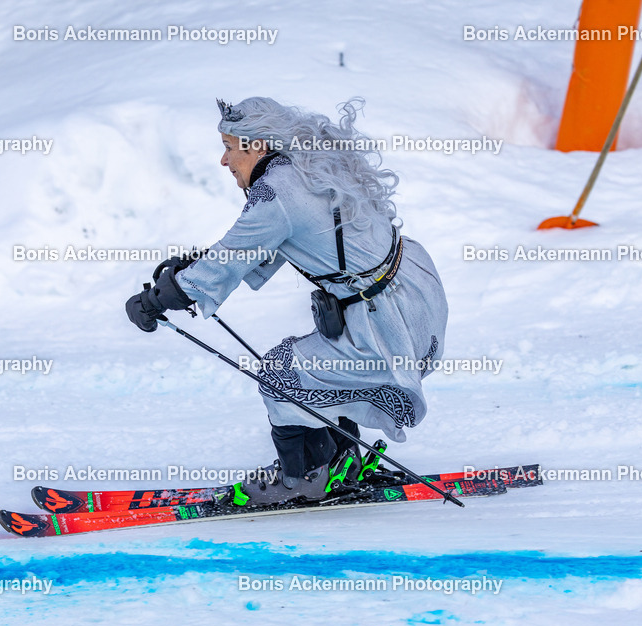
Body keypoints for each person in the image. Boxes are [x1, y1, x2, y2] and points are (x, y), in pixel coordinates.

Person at [126, 97, 448, 506]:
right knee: (317, 369)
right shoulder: (308, 167)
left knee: (280, 375)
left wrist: (156, 300)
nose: (224, 160)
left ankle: (305, 477)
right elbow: (257, 248)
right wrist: (191, 267)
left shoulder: (276, 191)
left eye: (229, 146)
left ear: (257, 145)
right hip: (411, 297)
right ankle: (340, 459)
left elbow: (231, 258)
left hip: (385, 321)